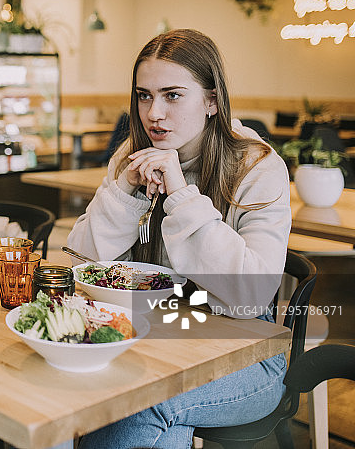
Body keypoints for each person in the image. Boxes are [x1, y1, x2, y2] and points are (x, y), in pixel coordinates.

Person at [67, 29, 291, 448]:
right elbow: (81, 263)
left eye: (173, 95)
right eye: (144, 95)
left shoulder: (257, 166)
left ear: (211, 101)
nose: (154, 113)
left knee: (144, 402)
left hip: (247, 355)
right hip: (158, 334)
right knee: (63, 390)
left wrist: (182, 196)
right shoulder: (130, 156)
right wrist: (123, 193)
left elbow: (252, 295)